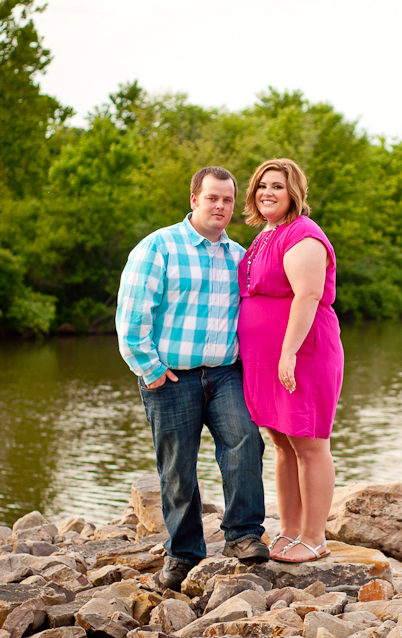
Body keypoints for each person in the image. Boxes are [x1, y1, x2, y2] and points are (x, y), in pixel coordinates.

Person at [115, 166, 269, 591]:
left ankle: (243, 535)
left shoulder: (239, 256)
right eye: (212, 198)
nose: (220, 206)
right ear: (194, 200)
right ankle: (184, 552)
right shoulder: (159, 247)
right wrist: (149, 368)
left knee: (245, 442)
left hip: (226, 373)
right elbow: (132, 313)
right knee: (177, 467)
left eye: (228, 200)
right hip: (170, 377)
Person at [237, 158, 344, 563]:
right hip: (265, 356)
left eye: (277, 186)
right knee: (283, 443)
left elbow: (308, 294)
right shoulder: (266, 234)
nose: (268, 192)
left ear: (294, 192)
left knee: (309, 443)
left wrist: (288, 352)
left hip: (302, 352)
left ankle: (314, 538)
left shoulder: (303, 233)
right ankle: (290, 530)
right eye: (262, 186)